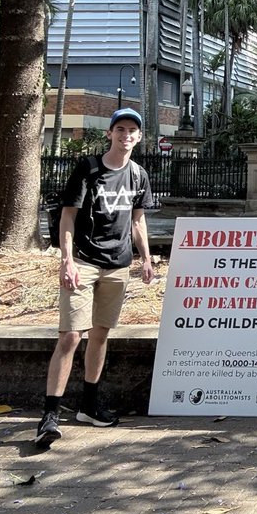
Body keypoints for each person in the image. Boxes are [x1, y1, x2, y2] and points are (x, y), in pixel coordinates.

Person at [36, 108, 154, 447]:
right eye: (120, 129)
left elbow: (137, 221)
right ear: (110, 133)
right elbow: (67, 218)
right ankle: (50, 416)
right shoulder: (88, 169)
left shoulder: (138, 175)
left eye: (132, 130)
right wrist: (67, 261)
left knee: (100, 335)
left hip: (118, 266)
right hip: (84, 263)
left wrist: (145, 259)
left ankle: (89, 406)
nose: (126, 135)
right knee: (71, 336)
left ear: (139, 136)